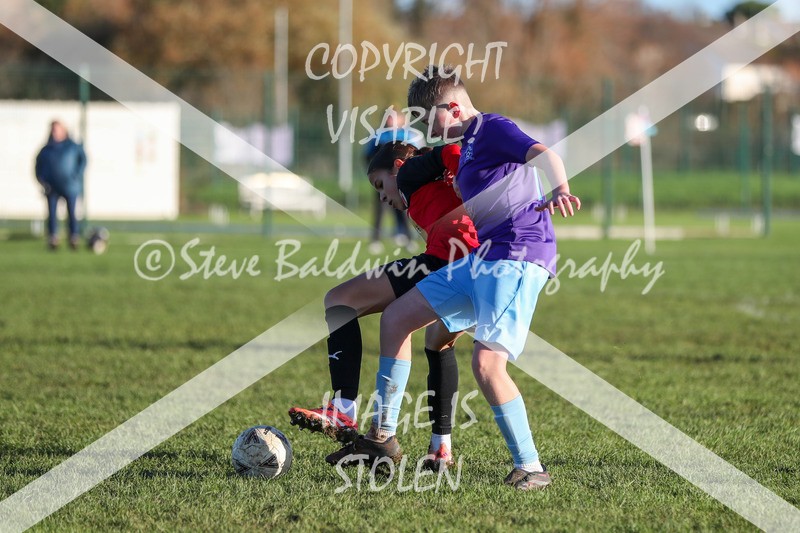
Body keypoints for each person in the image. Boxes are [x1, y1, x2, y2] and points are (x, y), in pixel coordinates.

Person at [327, 65, 581, 491]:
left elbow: (545, 155)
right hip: (482, 258)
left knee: (487, 364)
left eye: (429, 120)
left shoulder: (492, 127)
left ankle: (531, 467)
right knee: (397, 318)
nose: (427, 130)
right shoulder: (466, 146)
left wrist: (560, 189)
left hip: (517, 254)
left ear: (454, 108)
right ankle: (382, 436)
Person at [289, 140, 478, 469]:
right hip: (479, 269)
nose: (380, 196)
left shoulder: (413, 173)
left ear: (397, 169)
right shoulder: (427, 186)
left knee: (340, 299)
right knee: (434, 340)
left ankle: (343, 410)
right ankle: (439, 448)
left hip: (447, 263)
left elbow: (454, 151)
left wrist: (461, 174)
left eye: (379, 185)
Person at [364, 110, 414, 253]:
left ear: (401, 119)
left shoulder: (408, 135)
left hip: (401, 179)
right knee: (380, 209)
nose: (390, 120)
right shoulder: (378, 135)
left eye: (394, 117)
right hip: (383, 180)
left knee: (403, 209)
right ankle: (375, 240)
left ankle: (407, 238)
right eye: (388, 117)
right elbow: (368, 156)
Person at [35, 120, 87, 250]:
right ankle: (53, 238)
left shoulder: (72, 147)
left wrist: (76, 175)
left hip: (70, 185)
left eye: (57, 129)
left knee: (72, 213)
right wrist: (42, 180)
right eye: (53, 129)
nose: (55, 132)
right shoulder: (46, 149)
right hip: (52, 187)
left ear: (63, 130)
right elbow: (38, 165)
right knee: (52, 214)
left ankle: (73, 237)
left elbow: (83, 160)